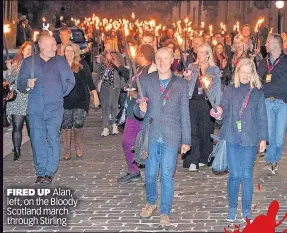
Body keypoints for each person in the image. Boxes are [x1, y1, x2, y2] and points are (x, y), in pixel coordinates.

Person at [134, 47, 191, 228]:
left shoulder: (181, 84)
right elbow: (137, 109)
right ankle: (151, 202)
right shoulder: (146, 80)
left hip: (171, 135)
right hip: (152, 133)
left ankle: (165, 212)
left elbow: (184, 113)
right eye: (159, 58)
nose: (162, 62)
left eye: (166, 59)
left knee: (167, 174)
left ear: (172, 60)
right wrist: (140, 109)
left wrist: (186, 140)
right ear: (155, 60)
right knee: (150, 173)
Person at [210, 58, 268, 222]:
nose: (245, 75)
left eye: (249, 73)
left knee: (247, 175)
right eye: (243, 72)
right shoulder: (229, 90)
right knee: (235, 175)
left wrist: (263, 138)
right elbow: (222, 113)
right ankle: (232, 207)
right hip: (232, 137)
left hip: (249, 139)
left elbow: (262, 117)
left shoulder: (257, 93)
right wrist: (219, 114)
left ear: (253, 74)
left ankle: (247, 210)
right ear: (237, 72)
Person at [17, 35, 75, 184]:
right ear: (42, 46)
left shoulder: (60, 61)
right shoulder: (29, 62)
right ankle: (41, 171)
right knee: (37, 139)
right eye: (52, 45)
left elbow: (70, 81)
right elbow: (20, 84)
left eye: (55, 45)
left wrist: (58, 93)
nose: (55, 48)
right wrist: (27, 84)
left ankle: (50, 171)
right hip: (35, 107)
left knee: (53, 137)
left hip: (54, 107)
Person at [113, 44, 156, 184]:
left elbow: (151, 91)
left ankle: (152, 176)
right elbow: (132, 79)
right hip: (132, 111)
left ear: (143, 55)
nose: (136, 55)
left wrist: (135, 92)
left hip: (144, 113)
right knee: (127, 142)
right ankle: (134, 171)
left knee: (147, 145)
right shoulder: (138, 69)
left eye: (138, 53)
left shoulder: (152, 70)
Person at [182, 43, 221, 171]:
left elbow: (217, 89)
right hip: (192, 101)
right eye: (198, 52)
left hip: (206, 102)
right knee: (193, 130)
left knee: (206, 131)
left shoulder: (214, 69)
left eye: (202, 52)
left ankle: (205, 157)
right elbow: (187, 85)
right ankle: (194, 159)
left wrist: (216, 106)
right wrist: (186, 79)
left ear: (208, 54)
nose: (199, 55)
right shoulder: (192, 67)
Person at [61, 42, 99, 160]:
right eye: (67, 51)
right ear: (64, 53)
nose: (69, 53)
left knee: (78, 123)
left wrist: (95, 95)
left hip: (80, 99)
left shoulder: (82, 64)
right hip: (64, 100)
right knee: (66, 125)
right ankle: (67, 149)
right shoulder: (60, 65)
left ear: (75, 53)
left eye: (71, 51)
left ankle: (78, 146)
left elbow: (89, 81)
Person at [257, 33, 287, 174]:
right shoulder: (264, 62)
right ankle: (271, 161)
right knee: (270, 133)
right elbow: (257, 80)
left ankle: (275, 158)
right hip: (267, 102)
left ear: (276, 44)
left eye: (268, 42)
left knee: (279, 137)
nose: (265, 44)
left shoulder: (286, 61)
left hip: (283, 103)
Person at [5, 41, 32, 161]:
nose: (29, 53)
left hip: (31, 99)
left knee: (32, 127)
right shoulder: (16, 64)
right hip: (18, 99)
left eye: (31, 51)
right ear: (22, 51)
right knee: (17, 126)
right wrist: (10, 70)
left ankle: (35, 149)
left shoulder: (36, 65)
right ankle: (16, 150)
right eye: (27, 50)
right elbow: (9, 81)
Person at [94, 37, 126, 136]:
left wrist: (123, 84)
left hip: (114, 84)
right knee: (104, 106)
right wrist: (98, 63)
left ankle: (114, 125)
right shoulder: (102, 55)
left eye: (107, 44)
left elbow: (122, 69)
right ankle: (105, 127)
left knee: (113, 105)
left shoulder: (118, 56)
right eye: (104, 44)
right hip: (104, 84)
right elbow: (96, 70)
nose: (105, 46)